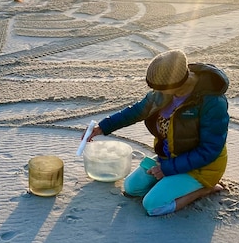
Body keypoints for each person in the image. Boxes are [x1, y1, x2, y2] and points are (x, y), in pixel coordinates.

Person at [84, 50, 229, 216]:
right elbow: (137, 111)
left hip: (202, 167)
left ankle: (204, 189)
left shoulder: (212, 102)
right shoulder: (162, 93)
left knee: (152, 205)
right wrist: (103, 127)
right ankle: (170, 185)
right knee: (132, 187)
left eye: (159, 89)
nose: (155, 92)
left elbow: (209, 150)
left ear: (176, 84)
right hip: (170, 156)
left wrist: (167, 169)